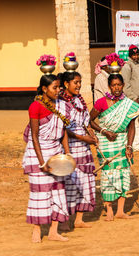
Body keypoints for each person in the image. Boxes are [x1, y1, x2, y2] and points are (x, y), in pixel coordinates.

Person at [22, 74, 72, 243]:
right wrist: (42, 162)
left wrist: (67, 153)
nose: (58, 91)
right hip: (39, 152)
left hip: (56, 152)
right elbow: (34, 137)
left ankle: (53, 231)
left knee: (58, 191)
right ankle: (37, 230)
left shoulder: (62, 106)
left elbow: (63, 132)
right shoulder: (35, 107)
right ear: (44, 89)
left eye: (59, 88)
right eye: (55, 88)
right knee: (40, 193)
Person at [89, 74, 139, 220]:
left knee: (123, 173)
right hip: (105, 143)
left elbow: (131, 127)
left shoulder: (129, 105)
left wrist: (129, 145)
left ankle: (120, 211)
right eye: (114, 85)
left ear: (123, 85)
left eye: (119, 85)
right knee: (108, 174)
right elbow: (90, 120)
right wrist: (104, 131)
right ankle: (109, 210)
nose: (116, 88)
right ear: (109, 86)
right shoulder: (101, 103)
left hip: (122, 141)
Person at [59, 71, 97, 228]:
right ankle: (64, 221)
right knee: (70, 183)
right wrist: (83, 138)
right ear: (66, 84)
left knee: (85, 182)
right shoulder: (61, 103)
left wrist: (92, 136)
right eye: (76, 82)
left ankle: (79, 219)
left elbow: (86, 122)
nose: (79, 85)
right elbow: (62, 129)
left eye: (80, 82)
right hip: (70, 146)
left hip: (84, 148)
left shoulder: (79, 100)